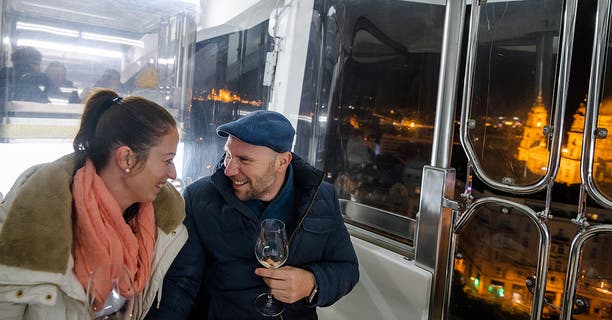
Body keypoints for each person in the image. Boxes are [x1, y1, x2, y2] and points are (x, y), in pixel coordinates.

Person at [145, 110, 359, 319]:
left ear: (282, 162)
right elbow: (182, 283)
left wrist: (312, 284)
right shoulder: (199, 198)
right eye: (228, 155)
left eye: (244, 160)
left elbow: (347, 268)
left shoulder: (322, 198)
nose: (229, 169)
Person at [0, 88, 187, 319]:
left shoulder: (157, 226)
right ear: (126, 158)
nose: (173, 173)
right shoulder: (35, 217)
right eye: (167, 160)